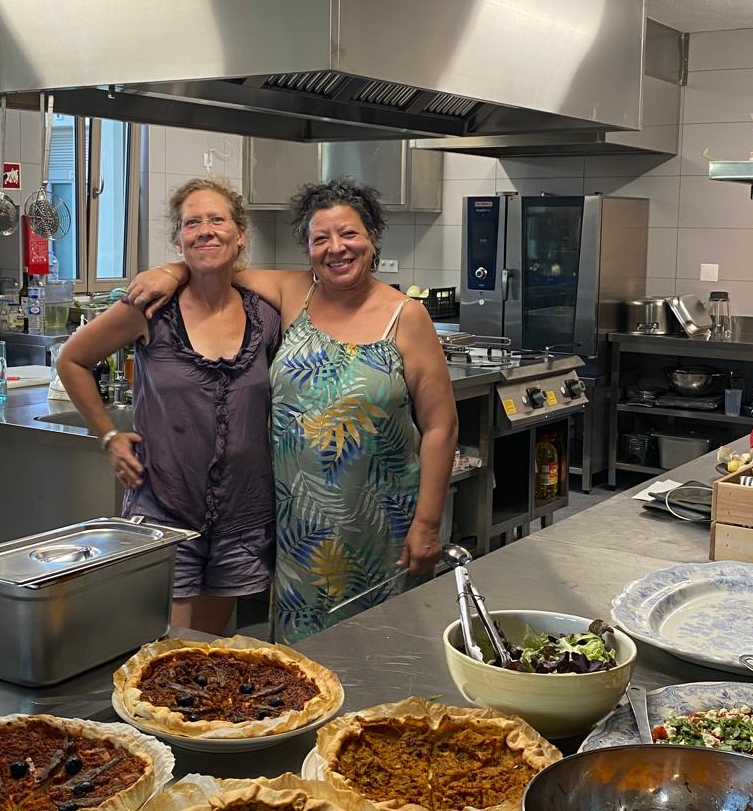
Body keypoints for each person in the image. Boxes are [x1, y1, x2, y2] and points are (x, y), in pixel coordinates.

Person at [127, 177, 458, 642]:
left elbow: (441, 426)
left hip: (381, 524)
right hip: (299, 527)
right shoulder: (293, 293)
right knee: (305, 655)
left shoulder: (405, 316)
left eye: (349, 234)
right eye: (321, 238)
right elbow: (215, 264)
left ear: (372, 238)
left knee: (384, 647)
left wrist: (427, 522)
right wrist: (170, 270)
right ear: (307, 249)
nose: (336, 248)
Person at [58, 177, 280, 634]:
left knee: (209, 648)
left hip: (241, 514)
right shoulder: (149, 308)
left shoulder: (265, 314)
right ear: (178, 240)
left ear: (240, 234)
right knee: (163, 646)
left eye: (217, 220)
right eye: (191, 223)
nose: (205, 231)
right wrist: (109, 435)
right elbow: (72, 360)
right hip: (164, 505)